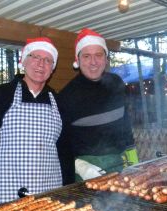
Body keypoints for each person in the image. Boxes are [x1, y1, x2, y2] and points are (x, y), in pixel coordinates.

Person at [0, 37, 62, 211]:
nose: (41, 64)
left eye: (48, 60)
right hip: (8, 191)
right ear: (23, 61)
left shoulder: (56, 100)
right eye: (35, 57)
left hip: (50, 189)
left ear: (52, 68)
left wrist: (68, 189)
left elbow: (64, 149)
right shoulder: (1, 95)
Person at [56, 28, 139, 184]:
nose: (93, 62)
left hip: (120, 164)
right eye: (86, 56)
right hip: (85, 170)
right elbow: (61, 143)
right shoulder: (67, 95)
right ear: (78, 59)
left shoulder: (117, 83)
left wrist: (134, 161)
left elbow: (125, 124)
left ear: (106, 58)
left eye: (98, 55)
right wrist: (79, 166)